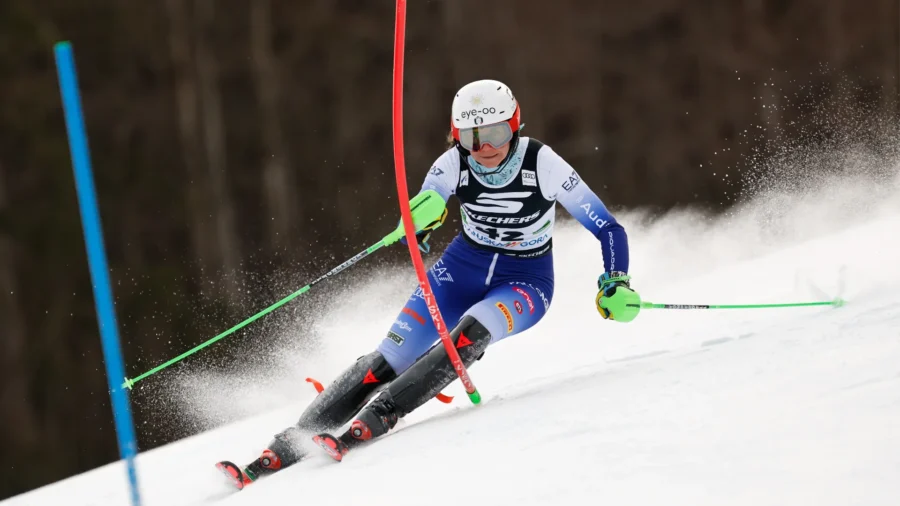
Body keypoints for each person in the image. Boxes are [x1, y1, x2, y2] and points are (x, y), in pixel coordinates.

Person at [216, 79, 641, 489]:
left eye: (495, 133)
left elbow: (608, 228)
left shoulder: (543, 164)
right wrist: (419, 221)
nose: (486, 149)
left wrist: (615, 280)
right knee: (388, 361)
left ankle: (381, 414)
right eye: (473, 138)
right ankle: (290, 441)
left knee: (471, 331)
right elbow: (428, 205)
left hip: (525, 281)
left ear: (515, 125)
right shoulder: (452, 164)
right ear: (457, 137)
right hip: (460, 269)